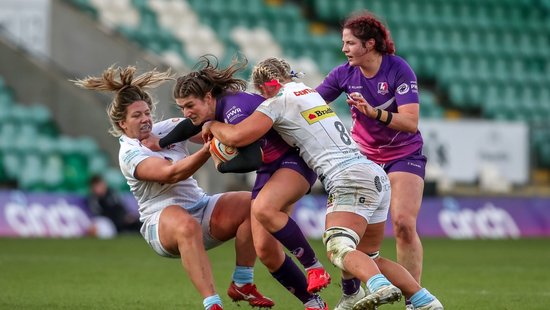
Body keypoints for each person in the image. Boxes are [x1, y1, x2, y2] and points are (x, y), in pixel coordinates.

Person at [201, 57, 443, 310]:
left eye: (260, 92)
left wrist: (213, 124)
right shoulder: (310, 93)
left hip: (347, 178)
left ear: (265, 87)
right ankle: (423, 299)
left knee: (338, 247)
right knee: (369, 256)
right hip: (372, 174)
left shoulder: (276, 102)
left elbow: (239, 135)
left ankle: (378, 286)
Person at [72, 65, 273, 310]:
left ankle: (243, 283)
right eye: (136, 116)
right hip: (160, 222)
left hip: (200, 207)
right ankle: (213, 304)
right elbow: (172, 174)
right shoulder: (129, 153)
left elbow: (209, 122)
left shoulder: (166, 128)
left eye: (147, 113)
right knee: (185, 224)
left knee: (253, 204)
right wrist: (210, 148)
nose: (145, 119)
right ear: (122, 124)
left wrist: (233, 124)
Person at [144, 55, 330, 310]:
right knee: (265, 251)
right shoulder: (216, 110)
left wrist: (221, 164)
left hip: (292, 162)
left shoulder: (234, 109)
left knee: (263, 209)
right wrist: (160, 143)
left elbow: (251, 159)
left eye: (189, 105)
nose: (186, 113)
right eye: (181, 107)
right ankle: (313, 303)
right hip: (270, 168)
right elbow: (192, 124)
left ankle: (315, 268)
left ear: (209, 98)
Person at [315, 11, 427, 309]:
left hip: (404, 154)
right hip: (363, 159)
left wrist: (373, 112)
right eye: (344, 42)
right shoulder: (343, 73)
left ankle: (413, 299)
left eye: (350, 43)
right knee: (352, 234)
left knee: (403, 224)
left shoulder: (399, 70)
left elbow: (411, 122)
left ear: (370, 44)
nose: (344, 48)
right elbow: (311, 102)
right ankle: (352, 292)